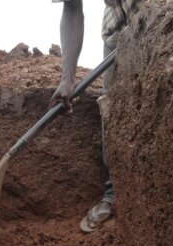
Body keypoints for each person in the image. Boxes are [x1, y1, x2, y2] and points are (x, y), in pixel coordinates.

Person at [50, 0, 141, 232]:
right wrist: (67, 79)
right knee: (112, 108)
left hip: (167, 17)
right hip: (118, 32)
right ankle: (114, 195)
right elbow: (71, 8)